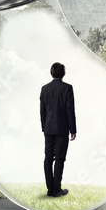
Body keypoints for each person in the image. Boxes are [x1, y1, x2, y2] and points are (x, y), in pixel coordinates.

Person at [40, 62, 77, 198]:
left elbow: (42, 111)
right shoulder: (67, 88)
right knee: (60, 159)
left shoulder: (45, 89)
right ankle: (57, 188)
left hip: (48, 129)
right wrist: (73, 129)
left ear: (51, 73)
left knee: (48, 158)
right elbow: (70, 110)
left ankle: (50, 189)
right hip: (62, 129)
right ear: (63, 73)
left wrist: (44, 127)